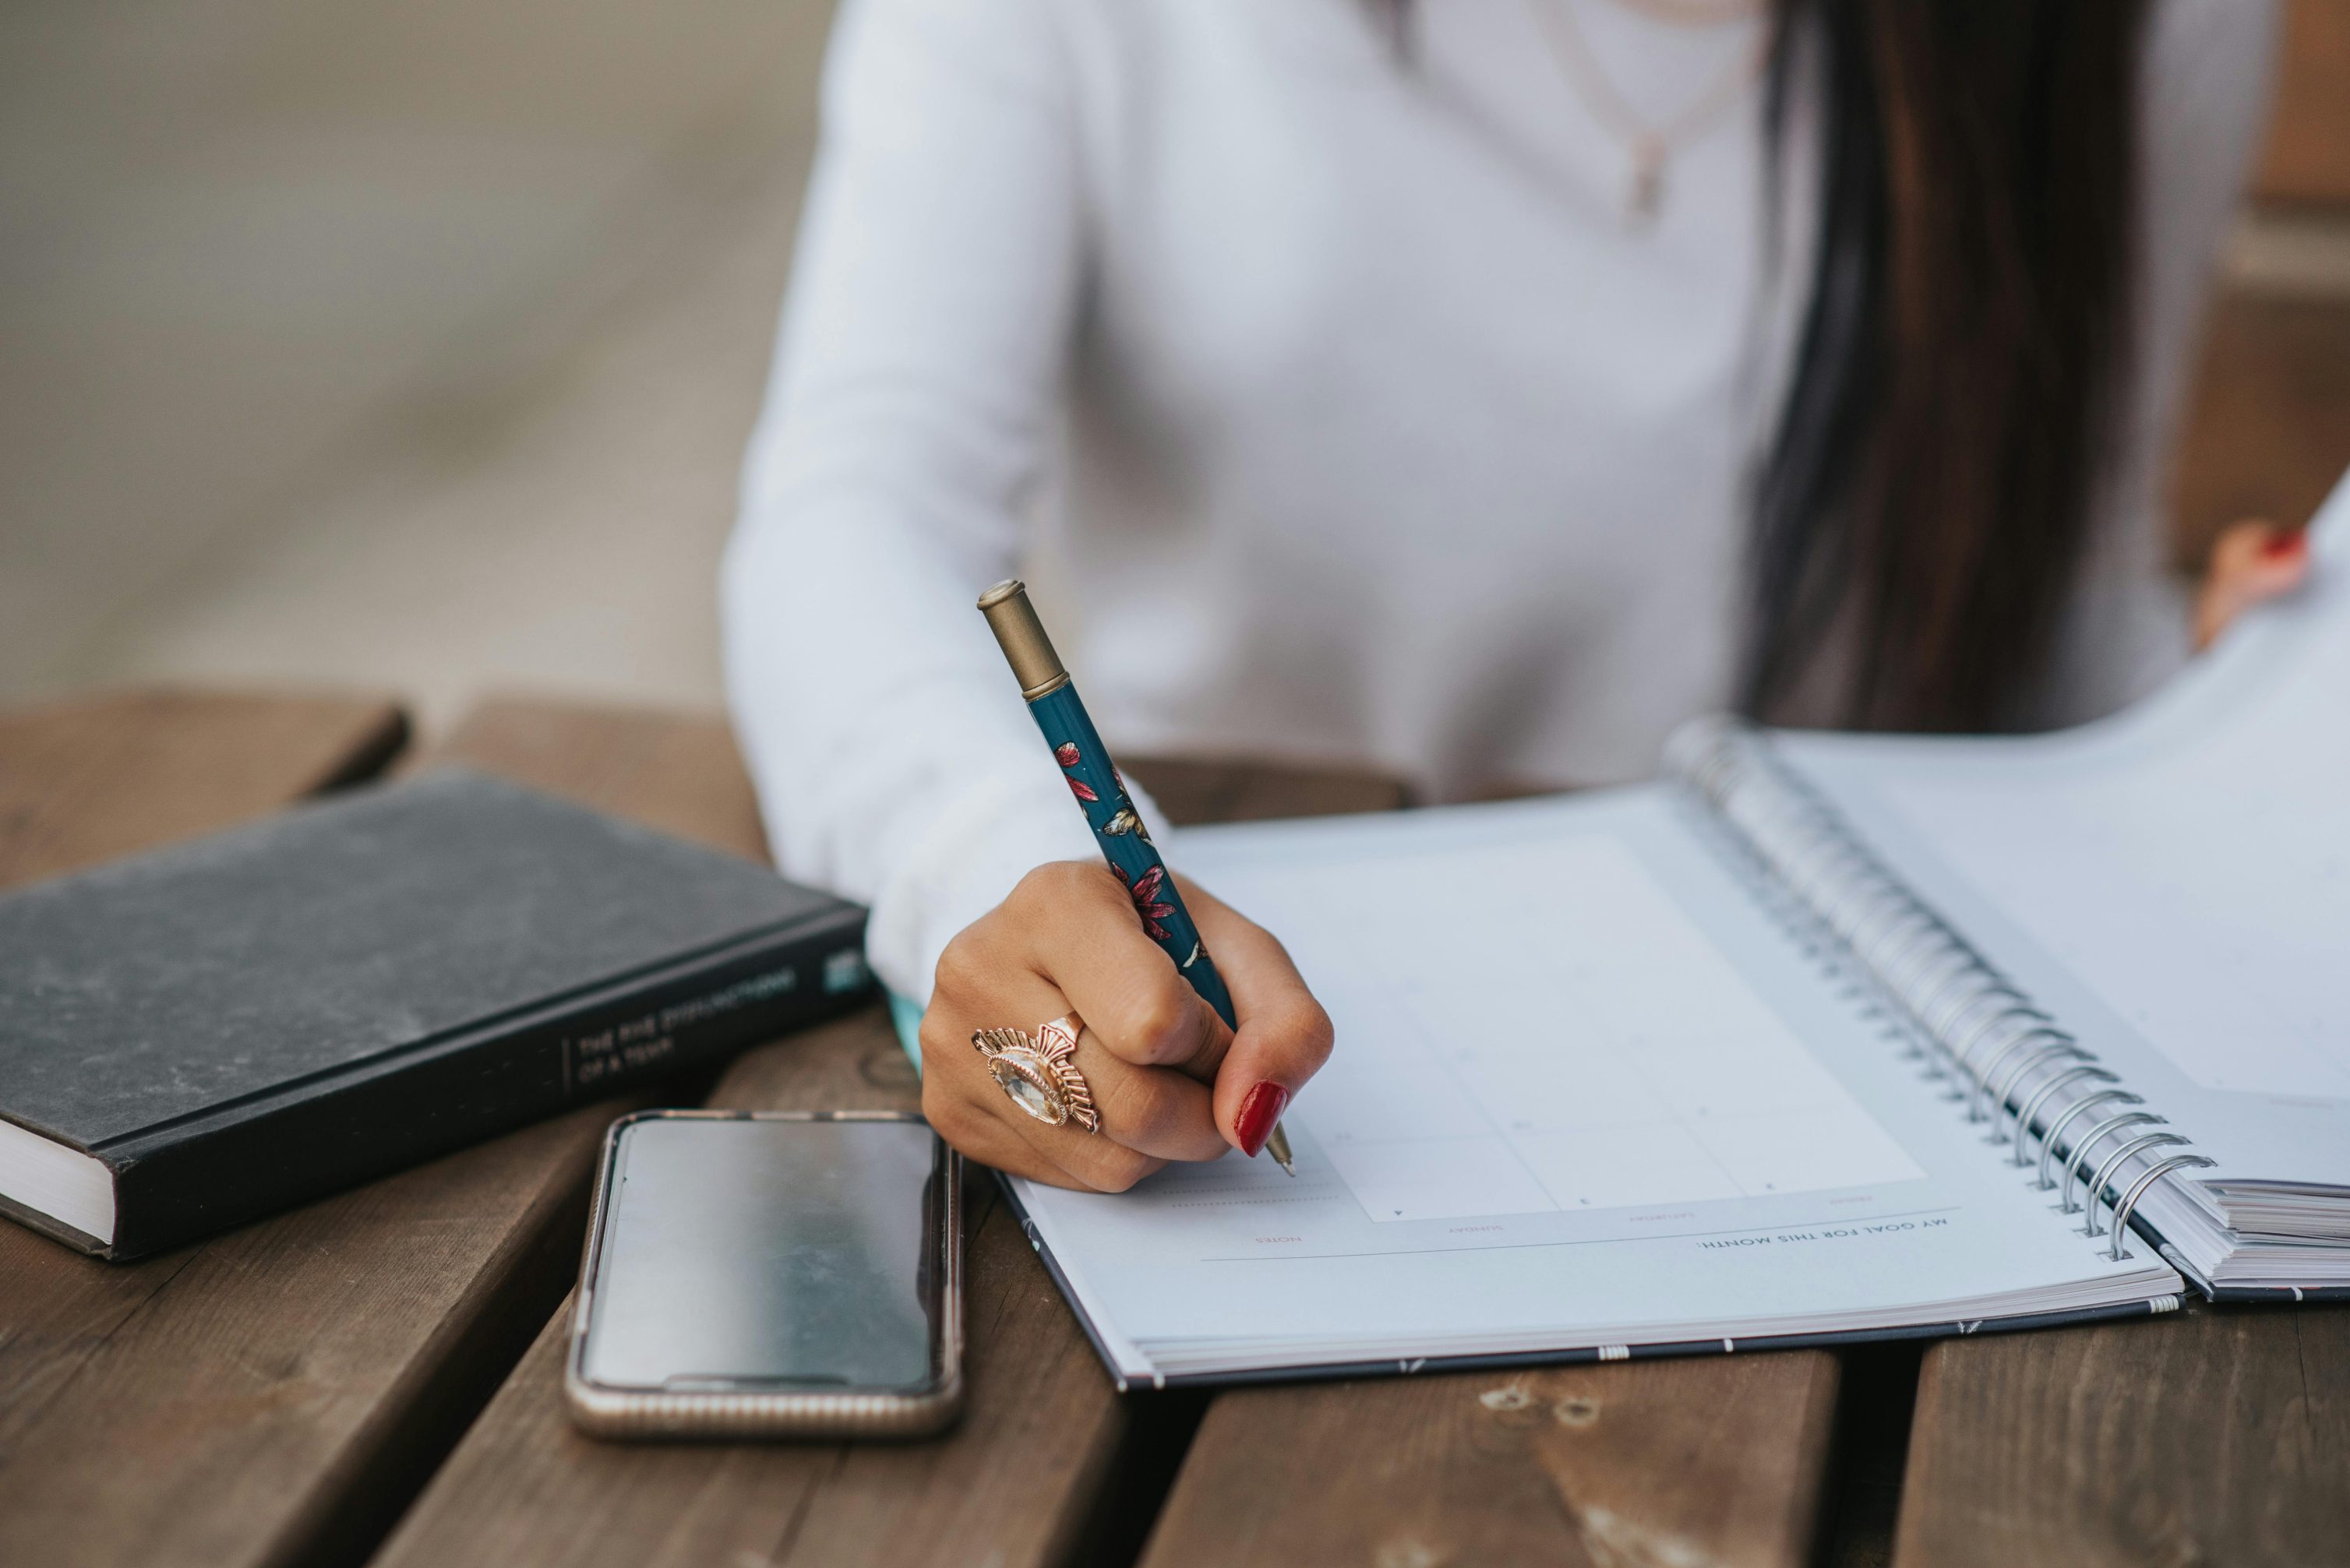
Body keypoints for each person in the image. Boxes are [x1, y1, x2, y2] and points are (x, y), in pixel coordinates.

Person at [722, 0, 2306, 1193]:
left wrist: (2239, 704)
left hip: (1868, 1097)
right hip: (1239, 999)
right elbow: (853, 505)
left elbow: (2055, 593)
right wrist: (990, 859)